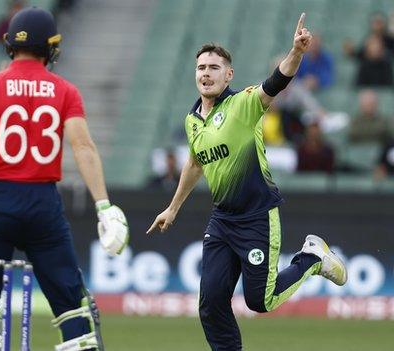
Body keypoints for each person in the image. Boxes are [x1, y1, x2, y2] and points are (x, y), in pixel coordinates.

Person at [0, 7, 128, 351]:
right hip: (43, 203)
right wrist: (103, 206)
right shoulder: (64, 90)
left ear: (10, 45)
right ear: (49, 47)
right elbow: (83, 146)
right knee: (69, 297)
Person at [147, 14, 347, 351]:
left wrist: (296, 52)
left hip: (257, 217)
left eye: (213, 67)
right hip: (223, 220)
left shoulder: (243, 104)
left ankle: (311, 259)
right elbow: (195, 162)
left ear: (229, 75)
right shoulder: (192, 119)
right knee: (210, 303)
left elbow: (277, 81)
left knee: (260, 302)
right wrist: (172, 207)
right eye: (201, 68)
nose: (206, 73)